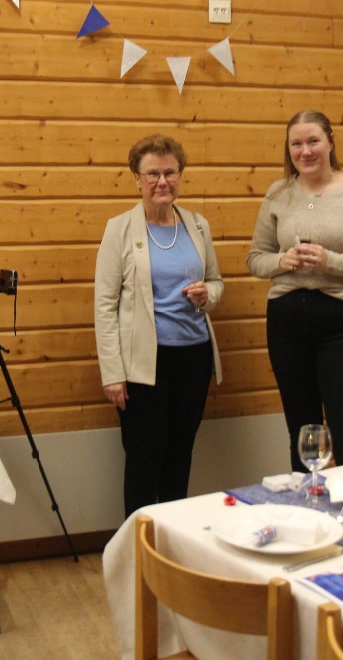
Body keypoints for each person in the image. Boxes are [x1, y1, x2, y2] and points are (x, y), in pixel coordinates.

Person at [246, 111, 343, 472]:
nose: (305, 151)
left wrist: (330, 261)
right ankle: (307, 504)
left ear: (331, 142)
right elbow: (255, 258)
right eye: (296, 144)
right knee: (303, 433)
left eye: (313, 141)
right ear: (288, 149)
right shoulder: (278, 193)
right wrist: (282, 261)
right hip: (287, 324)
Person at [95, 134, 224, 517]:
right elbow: (105, 305)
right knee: (143, 460)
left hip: (193, 358)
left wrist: (208, 294)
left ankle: (171, 539)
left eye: (170, 172)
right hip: (143, 366)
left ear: (180, 175)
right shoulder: (119, 229)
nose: (162, 181)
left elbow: (216, 282)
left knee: (179, 455)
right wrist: (112, 373)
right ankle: (138, 543)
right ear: (137, 178)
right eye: (153, 173)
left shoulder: (197, 225)